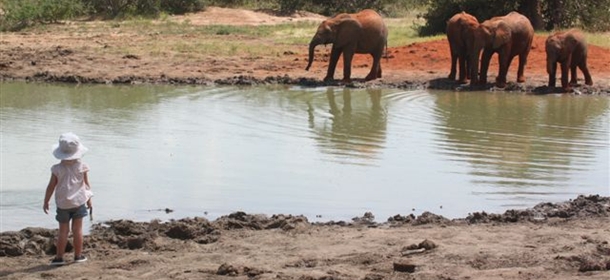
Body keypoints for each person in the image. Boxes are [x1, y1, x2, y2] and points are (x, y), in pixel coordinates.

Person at [43, 132, 93, 266]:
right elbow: (86, 185)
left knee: (63, 231)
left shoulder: (57, 169)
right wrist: (89, 199)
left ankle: (59, 257)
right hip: (79, 202)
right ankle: (78, 256)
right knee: (78, 230)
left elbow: (51, 187)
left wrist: (46, 201)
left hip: (63, 204)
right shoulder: (82, 167)